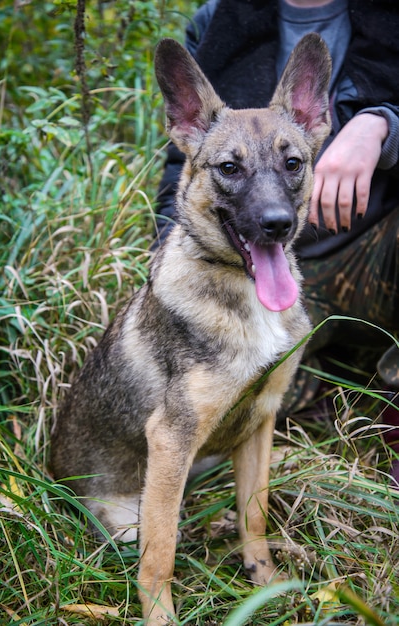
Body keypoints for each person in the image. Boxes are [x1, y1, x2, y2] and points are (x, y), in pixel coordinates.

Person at [154, 0, 399, 482]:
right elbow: (179, 176)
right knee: (216, 432)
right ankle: (337, 389)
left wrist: (383, 125)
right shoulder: (217, 21)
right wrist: (171, 282)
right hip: (261, 274)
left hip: (377, 250)